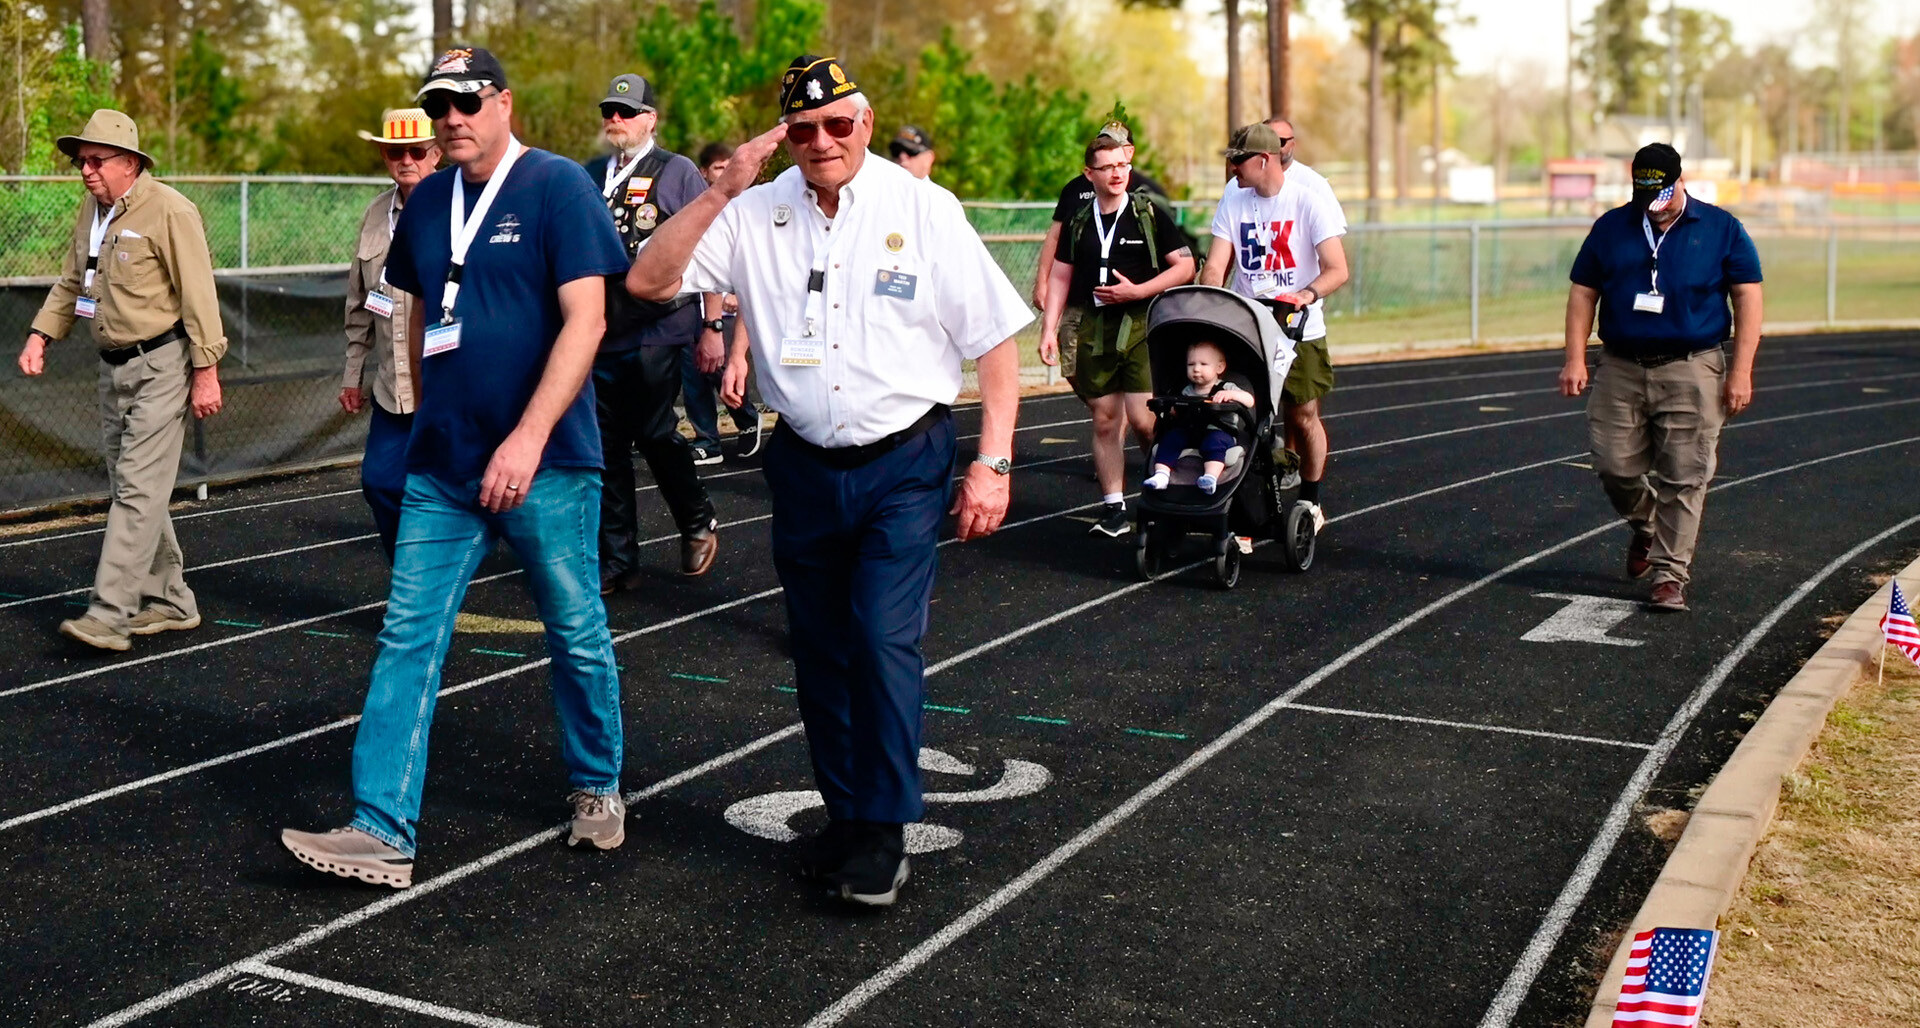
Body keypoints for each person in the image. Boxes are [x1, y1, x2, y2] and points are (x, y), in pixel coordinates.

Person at [628, 55, 1030, 907]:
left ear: (867, 124)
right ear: (786, 138)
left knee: (882, 640)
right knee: (818, 652)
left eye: (838, 124)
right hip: (805, 462)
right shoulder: (752, 213)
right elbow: (649, 282)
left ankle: (882, 834)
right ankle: (847, 817)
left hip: (904, 462)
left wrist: (992, 462)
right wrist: (717, 188)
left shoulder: (924, 210)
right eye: (803, 130)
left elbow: (996, 342)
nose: (822, 142)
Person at [281, 46, 632, 887]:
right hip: (442, 463)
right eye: (441, 106)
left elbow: (586, 322)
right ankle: (382, 827)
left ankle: (597, 785)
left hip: (545, 460)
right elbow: (412, 310)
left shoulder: (557, 187)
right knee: (408, 634)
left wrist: (527, 436)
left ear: (504, 103)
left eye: (467, 103)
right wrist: (420, 410)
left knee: (575, 630)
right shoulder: (431, 198)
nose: (452, 120)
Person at [17, 109, 226, 652]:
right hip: (113, 368)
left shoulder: (171, 210)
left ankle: (109, 614)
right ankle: (172, 599)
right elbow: (72, 281)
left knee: (135, 488)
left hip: (163, 363)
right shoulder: (93, 210)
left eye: (96, 160)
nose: (85, 171)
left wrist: (206, 371)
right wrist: (41, 335)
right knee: (134, 488)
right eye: (80, 161)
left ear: (130, 163)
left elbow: (199, 295)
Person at [1559, 142, 1763, 612]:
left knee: (1685, 475)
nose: (1652, 205)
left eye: (1661, 194)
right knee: (1614, 464)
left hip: (1693, 365)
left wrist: (1741, 371)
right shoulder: (1613, 227)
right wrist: (1575, 357)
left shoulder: (1721, 228)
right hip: (1621, 364)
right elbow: (1583, 293)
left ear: (1680, 181)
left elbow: (1748, 299)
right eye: (1644, 194)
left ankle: (1670, 576)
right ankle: (1648, 529)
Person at [584, 73, 725, 588]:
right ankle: (617, 560)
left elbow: (708, 247)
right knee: (604, 446)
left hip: (659, 326)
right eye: (609, 112)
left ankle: (696, 518)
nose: (615, 120)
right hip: (599, 327)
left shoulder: (676, 170)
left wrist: (713, 325)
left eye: (626, 112)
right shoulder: (591, 172)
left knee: (653, 430)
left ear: (650, 118)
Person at [1037, 131, 1195, 536]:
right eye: (1106, 168)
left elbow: (1185, 266)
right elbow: (1061, 273)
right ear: (1089, 174)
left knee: (1143, 420)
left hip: (1141, 325)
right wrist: (1050, 327)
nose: (1116, 174)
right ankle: (1113, 508)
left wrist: (1138, 291)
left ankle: (1166, 486)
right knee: (1106, 420)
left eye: (1121, 165)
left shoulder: (1147, 213)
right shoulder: (1078, 220)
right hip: (1096, 327)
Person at [1200, 122, 1348, 534]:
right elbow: (1217, 262)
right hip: (1249, 325)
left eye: (1239, 160)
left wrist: (1305, 294)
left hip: (1298, 327)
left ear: (1264, 160)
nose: (1232, 169)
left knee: (1302, 417)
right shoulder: (1234, 201)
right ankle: (1247, 509)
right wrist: (1209, 290)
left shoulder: (1307, 202)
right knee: (1244, 415)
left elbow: (1337, 269)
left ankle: (1311, 500)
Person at [342, 107, 440, 563]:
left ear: (436, 152)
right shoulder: (375, 213)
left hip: (447, 382)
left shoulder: (459, 209)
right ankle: (412, 574)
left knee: (454, 490)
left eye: (417, 151)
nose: (406, 161)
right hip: (391, 386)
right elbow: (359, 300)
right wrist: (352, 372)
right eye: (394, 152)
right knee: (380, 481)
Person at [680, 141, 765, 461]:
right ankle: (707, 440)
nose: (726, 172)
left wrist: (733, 295)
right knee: (693, 374)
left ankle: (746, 418)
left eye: (729, 165)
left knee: (722, 368)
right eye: (718, 167)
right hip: (695, 308)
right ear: (703, 172)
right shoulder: (698, 207)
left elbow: (751, 264)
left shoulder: (750, 208)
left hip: (728, 313)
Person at [1031, 121, 1170, 311]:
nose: (1116, 173)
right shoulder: (1075, 188)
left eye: (1117, 145)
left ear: (1130, 151)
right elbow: (1056, 236)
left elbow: (1177, 257)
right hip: (1080, 302)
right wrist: (1042, 283)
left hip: (1136, 309)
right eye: (1104, 141)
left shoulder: (1146, 192)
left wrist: (1143, 290)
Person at [1143, 340, 1256, 494]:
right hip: (1191, 431)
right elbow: (1178, 412)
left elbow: (1249, 400)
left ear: (1219, 367)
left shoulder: (1226, 387)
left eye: (1203, 364)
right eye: (1191, 364)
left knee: (1214, 443)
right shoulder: (1187, 391)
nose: (1196, 369)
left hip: (1220, 432)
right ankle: (1161, 475)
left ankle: (1210, 477)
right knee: (1170, 438)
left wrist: (1231, 395)